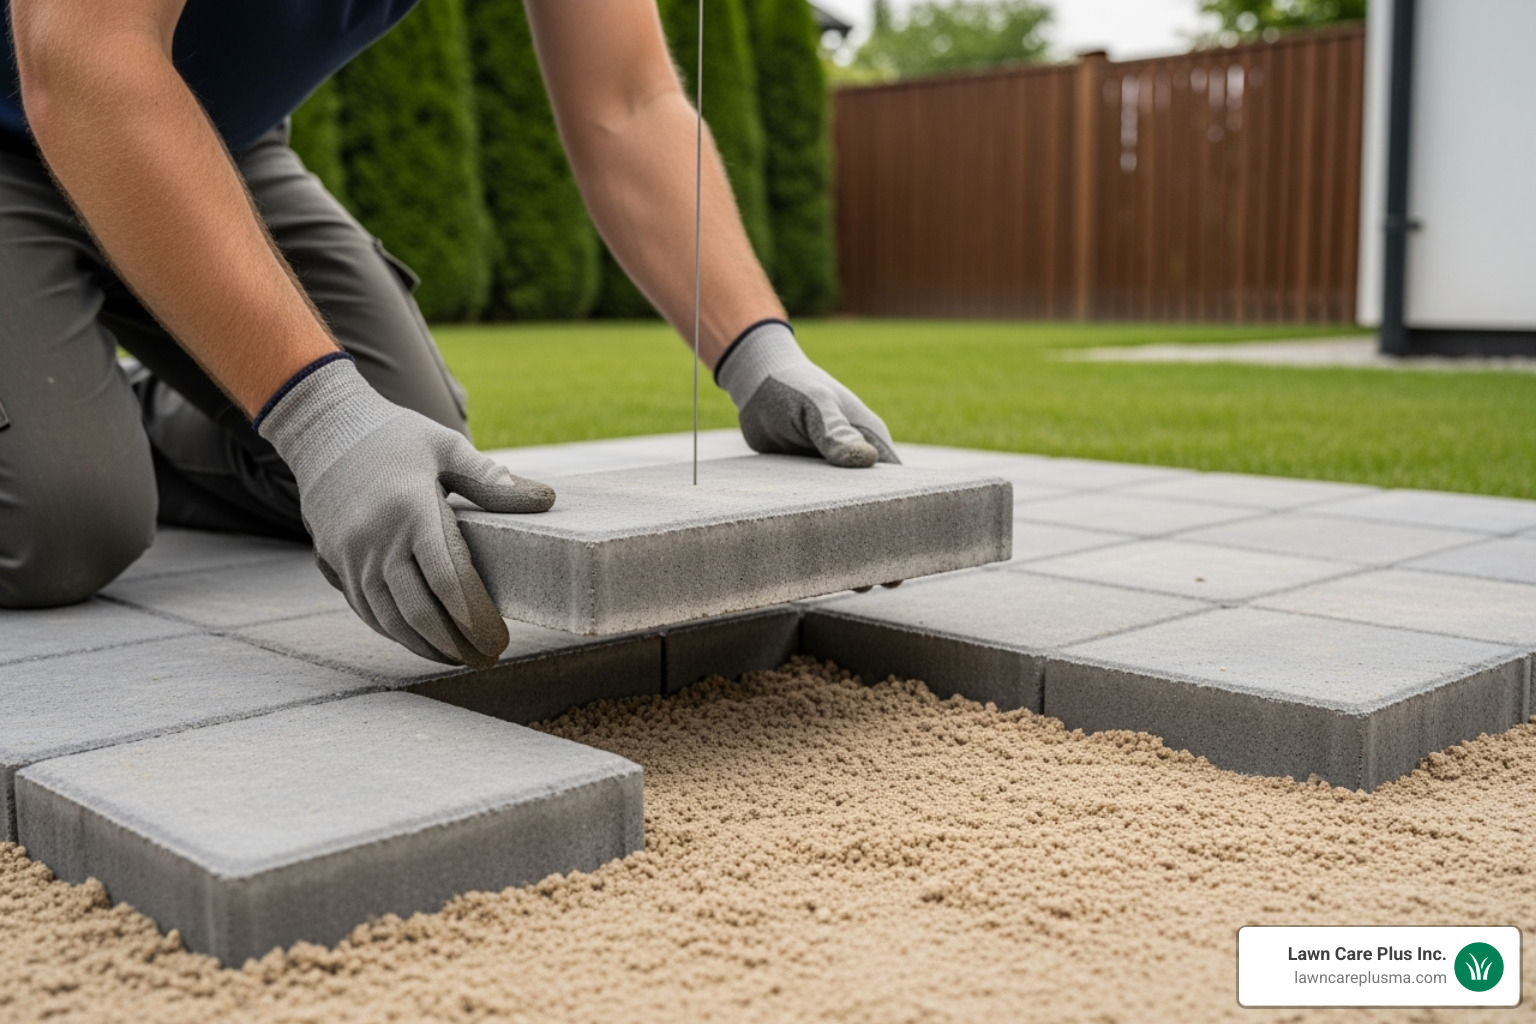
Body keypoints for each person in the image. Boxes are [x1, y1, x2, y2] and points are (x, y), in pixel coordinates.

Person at [0, 0, 898, 666]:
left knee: (418, 480)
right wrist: (317, 417)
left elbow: (626, 99)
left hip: (210, 136)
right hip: (60, 100)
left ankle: (124, 420)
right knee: (63, 528)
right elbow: (83, 53)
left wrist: (759, 350)